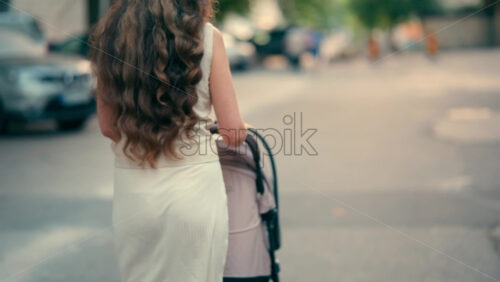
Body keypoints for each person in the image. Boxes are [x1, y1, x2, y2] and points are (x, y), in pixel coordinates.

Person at [90, 0, 247, 281]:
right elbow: (233, 134)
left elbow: (108, 127)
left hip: (135, 197)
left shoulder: (111, 39)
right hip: (195, 191)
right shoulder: (208, 37)